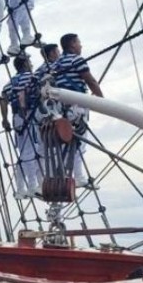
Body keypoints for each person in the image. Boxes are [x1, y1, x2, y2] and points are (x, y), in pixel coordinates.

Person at [53, 33, 104, 187]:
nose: (81, 46)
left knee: (66, 145)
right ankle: (79, 178)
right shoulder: (77, 60)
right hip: (77, 107)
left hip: (62, 109)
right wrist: (102, 101)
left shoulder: (57, 63)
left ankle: (62, 177)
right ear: (72, 44)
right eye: (79, 42)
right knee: (79, 144)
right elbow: (91, 81)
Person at [0, 55, 43, 198]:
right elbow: (30, 93)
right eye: (29, 62)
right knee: (32, 153)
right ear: (25, 64)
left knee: (24, 153)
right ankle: (32, 186)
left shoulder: (10, 83)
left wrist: (4, 119)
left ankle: (20, 188)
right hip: (29, 116)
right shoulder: (31, 77)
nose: (31, 64)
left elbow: (3, 99)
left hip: (16, 119)